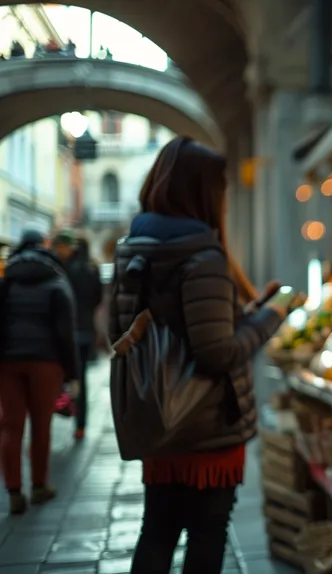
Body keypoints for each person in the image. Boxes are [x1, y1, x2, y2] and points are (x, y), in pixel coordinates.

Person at [108, 136, 305, 573]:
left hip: (158, 418)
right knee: (207, 530)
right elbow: (218, 353)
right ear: (204, 191)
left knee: (156, 528)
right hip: (208, 426)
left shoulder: (132, 248)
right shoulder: (203, 254)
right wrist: (273, 316)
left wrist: (247, 313)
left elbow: (124, 333)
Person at [0, 228, 78, 514]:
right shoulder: (56, 281)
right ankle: (39, 485)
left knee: (10, 425)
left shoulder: (6, 282)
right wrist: (72, 373)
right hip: (46, 362)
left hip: (7, 363)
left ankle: (13, 490)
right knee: (41, 423)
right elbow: (65, 332)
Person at [52, 230, 102, 441]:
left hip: (65, 332)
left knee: (60, 375)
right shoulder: (92, 268)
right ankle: (80, 425)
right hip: (85, 331)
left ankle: (61, 407)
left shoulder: (62, 269)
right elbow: (97, 299)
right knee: (80, 379)